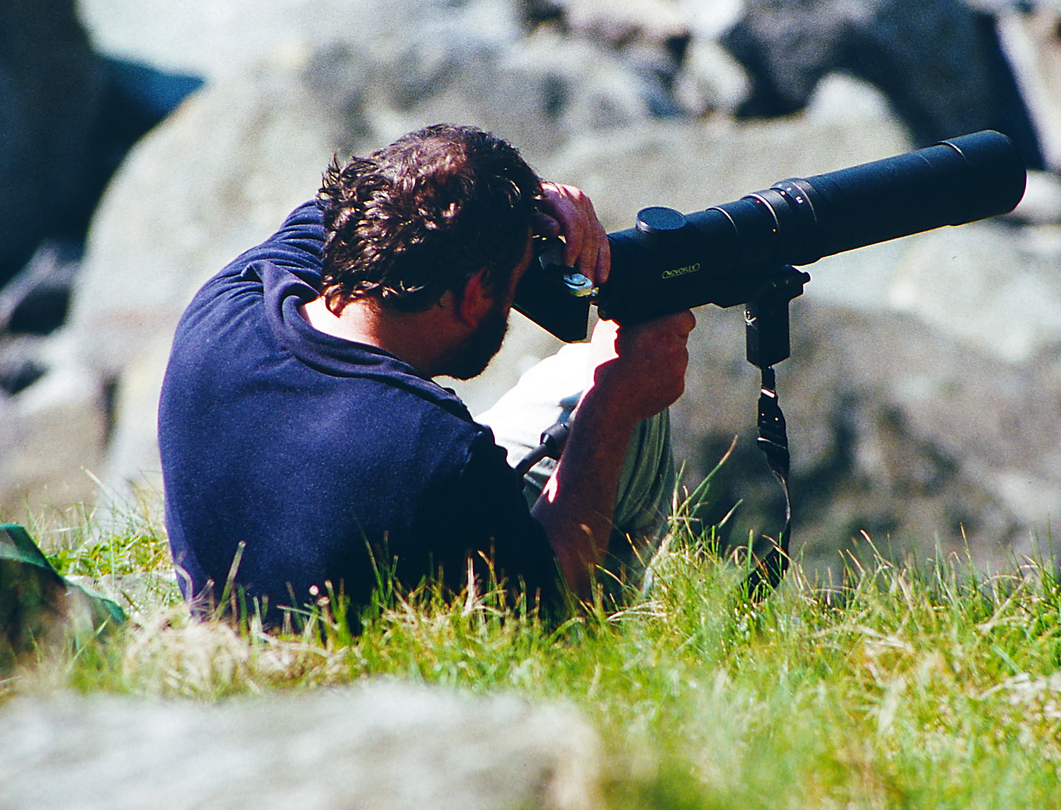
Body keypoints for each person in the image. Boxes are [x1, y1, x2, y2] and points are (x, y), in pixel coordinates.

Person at [157, 124, 695, 622]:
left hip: (241, 606)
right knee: (597, 378)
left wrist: (523, 196)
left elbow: (338, 204)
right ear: (472, 294)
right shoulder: (435, 453)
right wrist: (612, 404)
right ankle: (623, 631)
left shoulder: (231, 302)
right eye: (512, 286)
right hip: (363, 673)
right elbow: (551, 603)